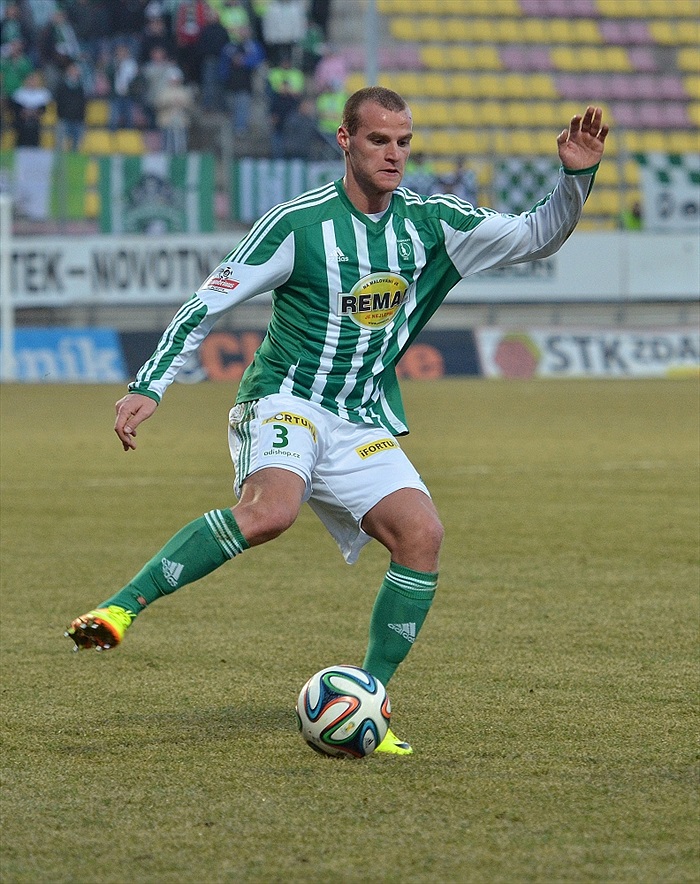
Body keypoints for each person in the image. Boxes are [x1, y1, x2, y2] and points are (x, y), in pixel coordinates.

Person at [65, 86, 608, 755]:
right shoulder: (298, 224)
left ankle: (366, 705)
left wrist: (576, 175)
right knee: (269, 513)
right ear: (345, 140)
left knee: (422, 535)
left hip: (360, 413)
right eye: (379, 140)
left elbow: (536, 236)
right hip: (285, 398)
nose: (394, 154)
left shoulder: (432, 222)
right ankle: (118, 608)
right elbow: (208, 301)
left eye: (404, 142)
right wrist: (150, 385)